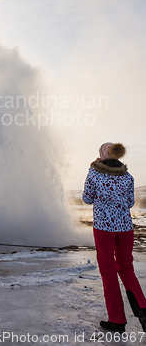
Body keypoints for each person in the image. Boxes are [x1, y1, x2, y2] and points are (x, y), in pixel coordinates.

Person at [82, 142, 146, 333]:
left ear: (102, 154)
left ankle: (117, 320)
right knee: (127, 269)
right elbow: (130, 202)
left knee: (109, 272)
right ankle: (144, 311)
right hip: (125, 228)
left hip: (104, 228)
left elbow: (86, 198)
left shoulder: (94, 173)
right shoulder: (128, 176)